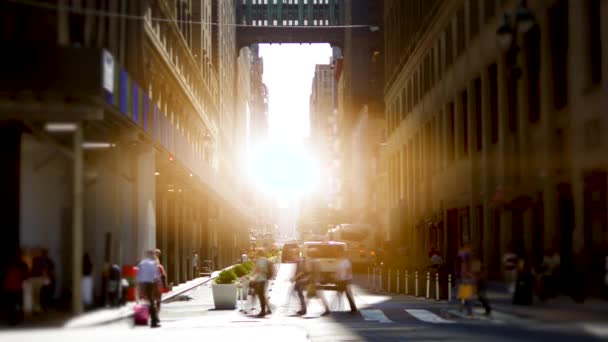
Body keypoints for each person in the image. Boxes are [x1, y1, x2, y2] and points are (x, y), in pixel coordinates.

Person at [3, 249, 29, 325]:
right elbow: (24, 277)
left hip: (9, 288)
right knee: (16, 304)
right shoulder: (21, 266)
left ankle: (12, 319)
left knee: (11, 305)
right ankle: (15, 319)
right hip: (15, 288)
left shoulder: (9, 267)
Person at [137, 250, 161, 328]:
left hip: (143, 283)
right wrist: (158, 285)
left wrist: (140, 288)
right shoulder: (153, 263)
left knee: (146, 301)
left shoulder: (141, 263)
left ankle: (151, 318)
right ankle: (154, 320)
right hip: (151, 284)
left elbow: (139, 275)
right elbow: (156, 276)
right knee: (151, 301)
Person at [251, 249, 271, 318]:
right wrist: (252, 275)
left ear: (258, 253)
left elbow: (260, 270)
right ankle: (266, 309)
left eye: (256, 252)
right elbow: (257, 269)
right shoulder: (264, 260)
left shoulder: (261, 260)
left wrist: (252, 276)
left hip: (261, 280)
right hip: (262, 279)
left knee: (261, 296)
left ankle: (263, 311)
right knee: (262, 295)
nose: (255, 254)